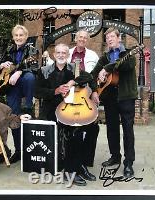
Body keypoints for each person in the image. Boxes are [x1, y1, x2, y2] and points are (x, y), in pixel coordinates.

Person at [35, 43, 98, 186]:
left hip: (70, 107)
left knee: (93, 128)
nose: (61, 55)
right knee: (74, 130)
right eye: (58, 53)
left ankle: (81, 164)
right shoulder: (44, 70)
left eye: (64, 53)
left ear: (68, 55)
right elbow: (37, 92)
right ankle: (70, 171)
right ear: (54, 54)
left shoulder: (74, 69)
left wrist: (72, 82)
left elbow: (90, 78)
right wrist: (55, 91)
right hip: (51, 109)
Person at [91, 27, 138, 178]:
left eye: (112, 36)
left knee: (128, 131)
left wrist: (106, 69)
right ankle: (115, 156)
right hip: (110, 98)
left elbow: (125, 66)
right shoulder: (104, 57)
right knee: (111, 129)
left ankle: (129, 162)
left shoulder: (129, 54)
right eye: (107, 38)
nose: (109, 39)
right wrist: (94, 90)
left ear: (119, 38)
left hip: (126, 97)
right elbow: (93, 74)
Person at [0, 25, 38, 163]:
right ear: (13, 37)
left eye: (21, 35)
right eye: (16, 35)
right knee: (14, 118)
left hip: (24, 84)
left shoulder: (32, 50)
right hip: (10, 87)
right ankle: (18, 151)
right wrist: (0, 65)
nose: (18, 38)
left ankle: (28, 106)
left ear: (26, 37)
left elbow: (35, 67)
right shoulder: (7, 49)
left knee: (29, 77)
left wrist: (19, 71)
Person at [68, 29, 100, 168]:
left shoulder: (93, 55)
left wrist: (95, 92)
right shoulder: (66, 52)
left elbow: (96, 76)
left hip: (87, 93)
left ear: (88, 40)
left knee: (91, 127)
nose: (82, 39)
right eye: (80, 37)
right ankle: (72, 159)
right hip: (69, 94)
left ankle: (86, 161)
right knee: (73, 127)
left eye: (85, 38)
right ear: (76, 38)